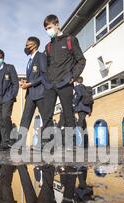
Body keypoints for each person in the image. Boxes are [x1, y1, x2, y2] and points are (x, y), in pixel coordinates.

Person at [43, 14, 86, 150]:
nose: (47, 31)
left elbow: (81, 60)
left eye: (49, 27)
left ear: (57, 25)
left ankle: (70, 143)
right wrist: (46, 81)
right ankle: (49, 142)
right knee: (47, 114)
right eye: (45, 29)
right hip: (50, 84)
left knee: (68, 113)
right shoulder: (48, 46)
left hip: (65, 83)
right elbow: (48, 66)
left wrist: (72, 77)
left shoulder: (70, 40)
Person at [18, 37, 51, 149]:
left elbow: (44, 75)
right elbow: (33, 76)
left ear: (34, 45)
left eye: (28, 45)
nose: (26, 47)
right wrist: (26, 82)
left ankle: (48, 144)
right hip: (30, 95)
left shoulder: (41, 56)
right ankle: (20, 144)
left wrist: (30, 83)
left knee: (46, 119)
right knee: (25, 119)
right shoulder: (30, 60)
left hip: (41, 93)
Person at [0, 49, 19, 152]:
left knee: (6, 117)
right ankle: (5, 142)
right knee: (1, 121)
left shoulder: (9, 68)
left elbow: (15, 83)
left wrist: (12, 95)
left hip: (7, 97)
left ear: (3, 57)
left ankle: (11, 139)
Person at [73, 77, 93, 148]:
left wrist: (74, 103)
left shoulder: (77, 87)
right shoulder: (86, 88)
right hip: (86, 108)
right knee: (84, 126)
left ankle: (80, 143)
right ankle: (85, 144)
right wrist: (90, 110)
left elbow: (79, 95)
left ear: (76, 81)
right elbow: (91, 100)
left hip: (81, 108)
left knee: (79, 125)